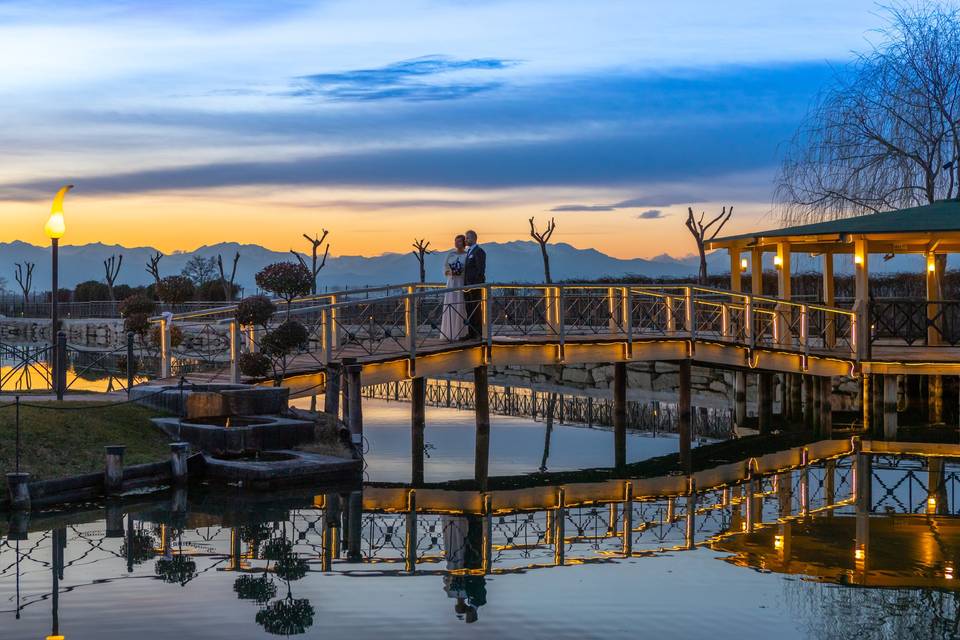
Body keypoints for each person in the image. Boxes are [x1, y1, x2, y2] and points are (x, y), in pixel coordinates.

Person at [441, 235, 468, 341]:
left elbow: (467, 268)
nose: (457, 243)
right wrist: (451, 272)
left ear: (463, 243)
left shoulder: (467, 255)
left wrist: (460, 271)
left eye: (459, 242)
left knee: (461, 305)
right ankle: (449, 332)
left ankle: (461, 333)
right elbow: (445, 268)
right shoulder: (451, 254)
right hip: (451, 283)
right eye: (455, 241)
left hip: (461, 282)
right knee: (450, 305)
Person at [463, 230, 486, 340]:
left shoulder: (479, 252)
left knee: (476, 309)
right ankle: (471, 333)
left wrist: (474, 284)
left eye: (467, 238)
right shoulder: (469, 252)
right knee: (469, 309)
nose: (465, 240)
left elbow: (480, 270)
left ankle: (479, 333)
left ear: (474, 239)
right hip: (466, 287)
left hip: (475, 286)